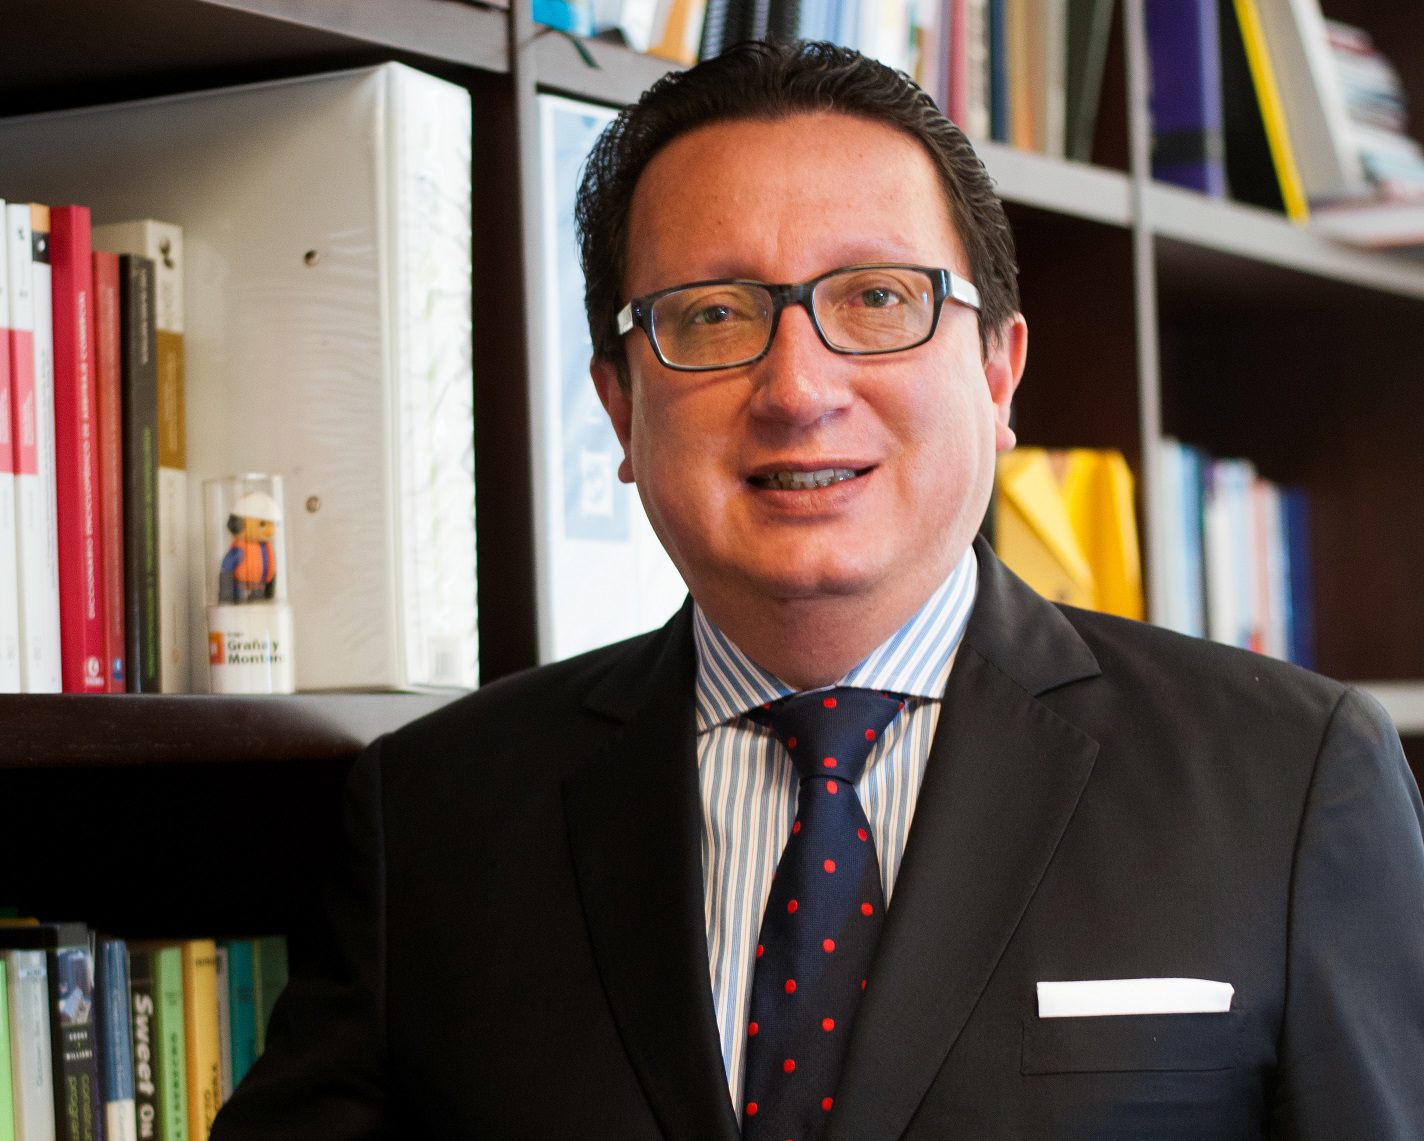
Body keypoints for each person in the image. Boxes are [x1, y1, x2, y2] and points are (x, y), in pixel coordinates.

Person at [211, 39, 1424, 1140]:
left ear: (997, 373)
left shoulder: (1289, 777)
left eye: (876, 299)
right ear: (620, 408)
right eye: (711, 314)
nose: (797, 388)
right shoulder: (432, 818)